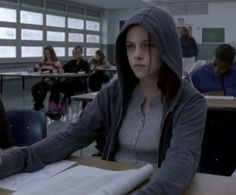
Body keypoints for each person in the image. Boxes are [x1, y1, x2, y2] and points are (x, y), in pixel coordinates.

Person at [0, 7, 207, 195]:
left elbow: (182, 160)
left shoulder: (190, 102)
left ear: (166, 47)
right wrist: (17, 159)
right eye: (130, 46)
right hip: (112, 186)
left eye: (148, 45)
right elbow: (72, 136)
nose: (137, 55)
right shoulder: (114, 93)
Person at [46, 45, 90, 120]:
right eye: (75, 53)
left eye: (78, 53)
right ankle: (53, 109)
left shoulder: (85, 63)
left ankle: (62, 110)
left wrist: (79, 73)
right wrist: (61, 70)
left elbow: (87, 73)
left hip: (79, 84)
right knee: (55, 86)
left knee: (67, 90)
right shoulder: (70, 62)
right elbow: (63, 68)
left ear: (82, 53)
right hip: (69, 82)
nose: (76, 54)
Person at [31, 46, 62, 111]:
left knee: (42, 89)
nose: (46, 55)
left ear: (52, 53)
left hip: (53, 80)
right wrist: (33, 69)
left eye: (48, 53)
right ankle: (40, 104)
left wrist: (49, 78)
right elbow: (36, 67)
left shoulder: (56, 62)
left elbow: (56, 74)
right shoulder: (42, 60)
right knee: (34, 88)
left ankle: (37, 106)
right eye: (45, 53)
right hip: (44, 80)